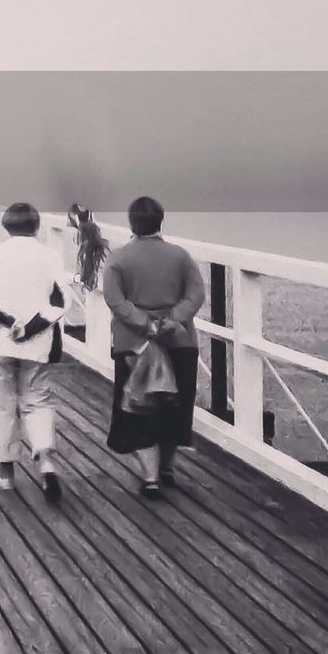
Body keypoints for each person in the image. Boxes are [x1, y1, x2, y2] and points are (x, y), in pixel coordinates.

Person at [102, 196, 205, 501]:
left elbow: (115, 301)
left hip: (134, 345)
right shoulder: (181, 256)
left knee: (138, 408)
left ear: (132, 223)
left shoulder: (118, 259)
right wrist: (173, 320)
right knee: (176, 405)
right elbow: (196, 295)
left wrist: (146, 325)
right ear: (161, 221)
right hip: (179, 342)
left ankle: (150, 478)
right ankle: (168, 468)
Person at [0, 201, 67, 502]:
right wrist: (32, 327)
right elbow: (61, 301)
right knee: (37, 399)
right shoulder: (50, 255)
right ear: (36, 227)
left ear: (6, 226)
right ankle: (46, 461)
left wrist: (9, 322)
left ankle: (6, 475)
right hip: (39, 342)